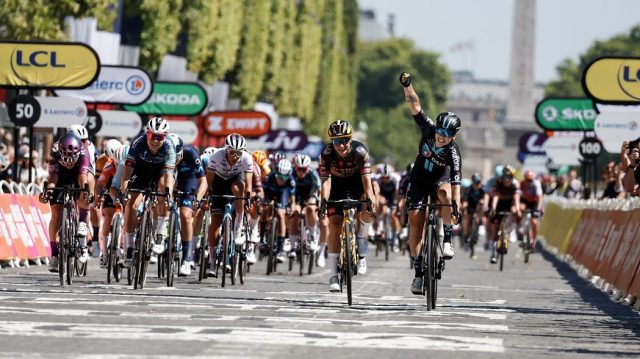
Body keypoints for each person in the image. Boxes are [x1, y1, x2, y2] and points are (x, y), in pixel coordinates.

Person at [399, 72, 462, 295]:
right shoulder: (428, 129)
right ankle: (418, 274)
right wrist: (408, 86)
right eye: (440, 131)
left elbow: (456, 183)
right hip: (418, 180)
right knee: (416, 223)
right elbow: (414, 104)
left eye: (447, 134)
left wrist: (457, 206)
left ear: (454, 136)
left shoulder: (453, 152)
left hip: (440, 181)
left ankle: (446, 239)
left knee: (445, 196)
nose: (441, 136)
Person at [319, 120, 376, 292]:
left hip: (357, 183)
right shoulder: (327, 154)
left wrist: (370, 200)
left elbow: (367, 181)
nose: (341, 145)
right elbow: (326, 182)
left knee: (367, 209)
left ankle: (361, 240)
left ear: (350, 139)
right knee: (335, 226)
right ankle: (334, 275)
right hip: (336, 185)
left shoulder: (360, 152)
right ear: (332, 142)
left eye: (344, 140)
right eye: (337, 141)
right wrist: (323, 201)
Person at [120, 117, 177, 268]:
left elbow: (169, 175)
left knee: (163, 192)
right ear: (147, 134)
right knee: (131, 206)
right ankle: (129, 247)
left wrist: (168, 195)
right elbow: (127, 173)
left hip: (161, 173)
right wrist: (124, 193)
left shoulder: (169, 147)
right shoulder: (137, 143)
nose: (156, 140)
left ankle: (159, 234)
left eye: (160, 137)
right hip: (141, 171)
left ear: (165, 137)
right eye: (152, 136)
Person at [40, 133, 93, 271]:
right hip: (60, 175)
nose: (69, 162)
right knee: (56, 214)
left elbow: (82, 178)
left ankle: (82, 222)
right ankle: (54, 255)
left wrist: (85, 193)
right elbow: (52, 178)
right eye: (66, 159)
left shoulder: (83, 151)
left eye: (71, 159)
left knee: (84, 190)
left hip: (77, 174)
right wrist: (49, 192)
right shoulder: (55, 150)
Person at [205, 133, 253, 276]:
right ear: (226, 150)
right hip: (218, 182)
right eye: (232, 152)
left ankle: (238, 227)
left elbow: (249, 185)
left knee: (239, 189)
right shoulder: (216, 157)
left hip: (235, 180)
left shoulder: (246, 158)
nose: (236, 156)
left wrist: (248, 198)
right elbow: (208, 181)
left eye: (239, 152)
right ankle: (212, 260)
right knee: (216, 222)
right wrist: (208, 195)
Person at [169, 134, 207, 277]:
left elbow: (203, 180)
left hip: (188, 180)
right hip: (171, 176)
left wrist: (197, 199)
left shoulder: (190, 152)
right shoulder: (164, 152)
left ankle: (187, 258)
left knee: (185, 215)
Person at [262, 159, 296, 262]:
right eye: (279, 176)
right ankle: (262, 235)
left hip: (283, 194)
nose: (281, 179)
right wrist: (266, 201)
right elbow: (264, 193)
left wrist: (292, 207)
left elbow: (292, 198)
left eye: (284, 177)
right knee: (266, 208)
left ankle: (280, 250)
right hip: (270, 193)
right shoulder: (270, 176)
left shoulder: (291, 180)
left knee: (281, 214)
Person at [489, 165, 521, 263]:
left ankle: (512, 230)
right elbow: (496, 198)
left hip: (509, 203)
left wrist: (518, 210)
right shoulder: (498, 184)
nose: (507, 180)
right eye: (505, 177)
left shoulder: (515, 185)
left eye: (509, 177)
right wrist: (493, 208)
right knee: (495, 229)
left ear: (512, 178)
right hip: (499, 204)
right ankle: (493, 253)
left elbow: (516, 199)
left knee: (515, 211)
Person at [290, 154, 321, 255]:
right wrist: (292, 204)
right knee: (295, 213)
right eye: (299, 169)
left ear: (308, 168)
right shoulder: (291, 173)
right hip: (297, 194)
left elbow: (319, 187)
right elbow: (289, 190)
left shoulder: (312, 172)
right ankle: (293, 247)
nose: (301, 172)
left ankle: (313, 237)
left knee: (310, 209)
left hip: (310, 193)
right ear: (296, 167)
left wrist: (320, 201)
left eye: (304, 169)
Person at [519, 170, 543, 250]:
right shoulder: (521, 183)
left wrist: (539, 208)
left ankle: (534, 240)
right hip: (525, 201)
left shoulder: (536, 184)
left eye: (530, 180)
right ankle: (521, 227)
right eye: (527, 180)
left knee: (534, 222)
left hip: (534, 202)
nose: (529, 182)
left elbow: (540, 197)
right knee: (521, 208)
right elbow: (518, 195)